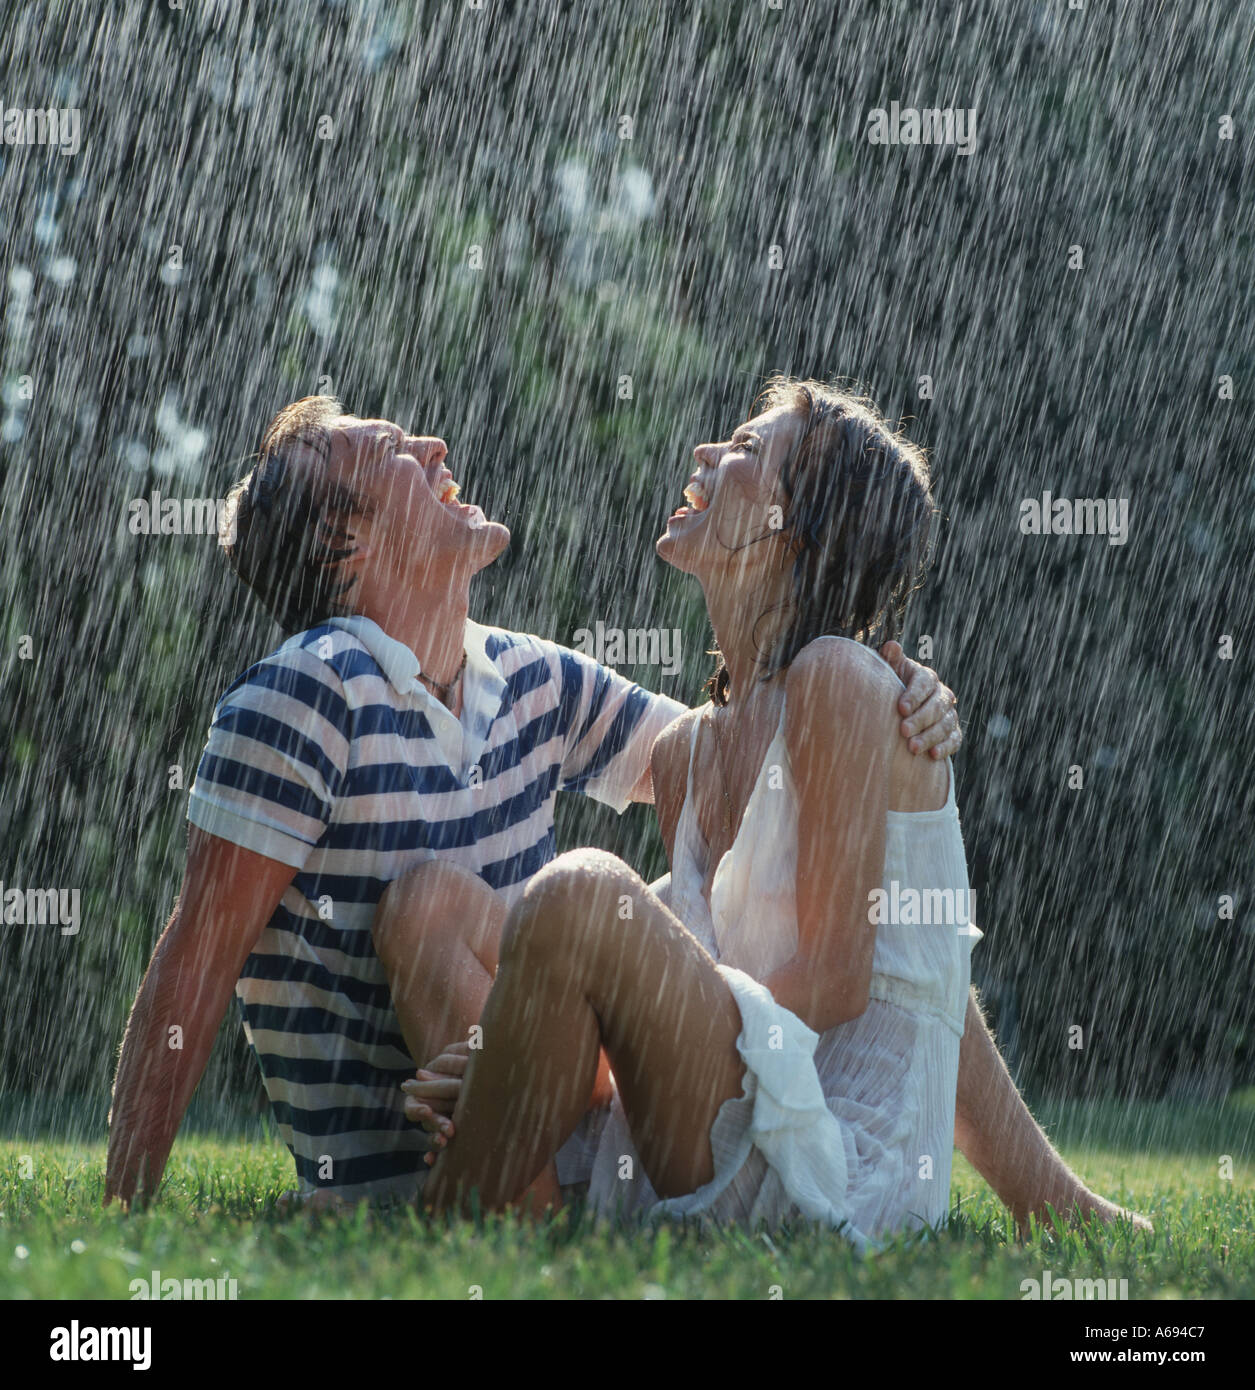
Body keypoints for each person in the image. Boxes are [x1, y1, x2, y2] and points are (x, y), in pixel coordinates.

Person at [102, 395, 959, 1211]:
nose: (433, 446)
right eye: (391, 452)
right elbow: (196, 958)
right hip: (405, 1149)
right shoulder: (303, 694)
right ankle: (503, 1205)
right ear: (347, 542)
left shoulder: (533, 679)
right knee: (456, 905)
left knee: (569, 899)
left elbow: (760, 773)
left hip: (556, 1101)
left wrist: (892, 703)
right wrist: (125, 1204)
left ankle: (512, 1211)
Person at [415, 378, 1151, 1242]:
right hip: (709, 1133)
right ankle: (495, 1230)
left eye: (745, 448)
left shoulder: (840, 682)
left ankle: (438, 1245)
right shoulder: (683, 753)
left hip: (836, 1161)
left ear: (792, 527)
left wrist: (590, 1037)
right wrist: (511, 1045)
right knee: (433, 904)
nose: (704, 455)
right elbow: (690, 989)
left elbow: (839, 981)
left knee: (579, 894)